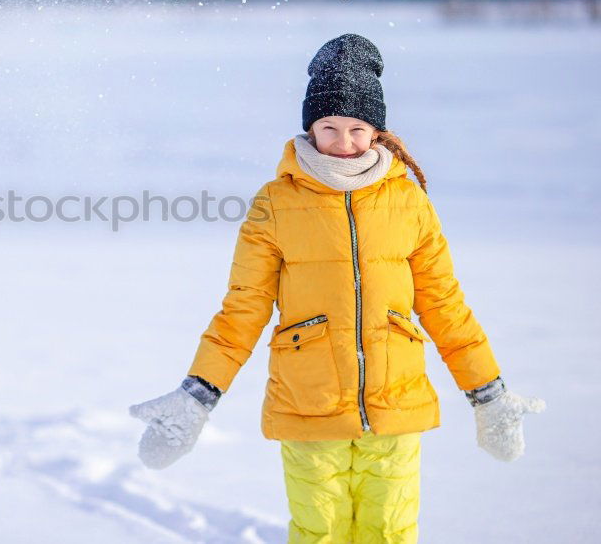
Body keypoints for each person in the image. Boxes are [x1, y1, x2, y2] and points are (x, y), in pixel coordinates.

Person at [128, 33, 546, 543]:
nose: (343, 143)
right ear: (310, 127)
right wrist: (197, 395)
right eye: (329, 128)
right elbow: (243, 310)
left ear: (377, 131)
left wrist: (489, 394)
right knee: (318, 533)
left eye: (357, 129)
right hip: (309, 406)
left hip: (396, 407)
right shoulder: (275, 204)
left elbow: (444, 305)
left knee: (390, 533)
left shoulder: (409, 203)